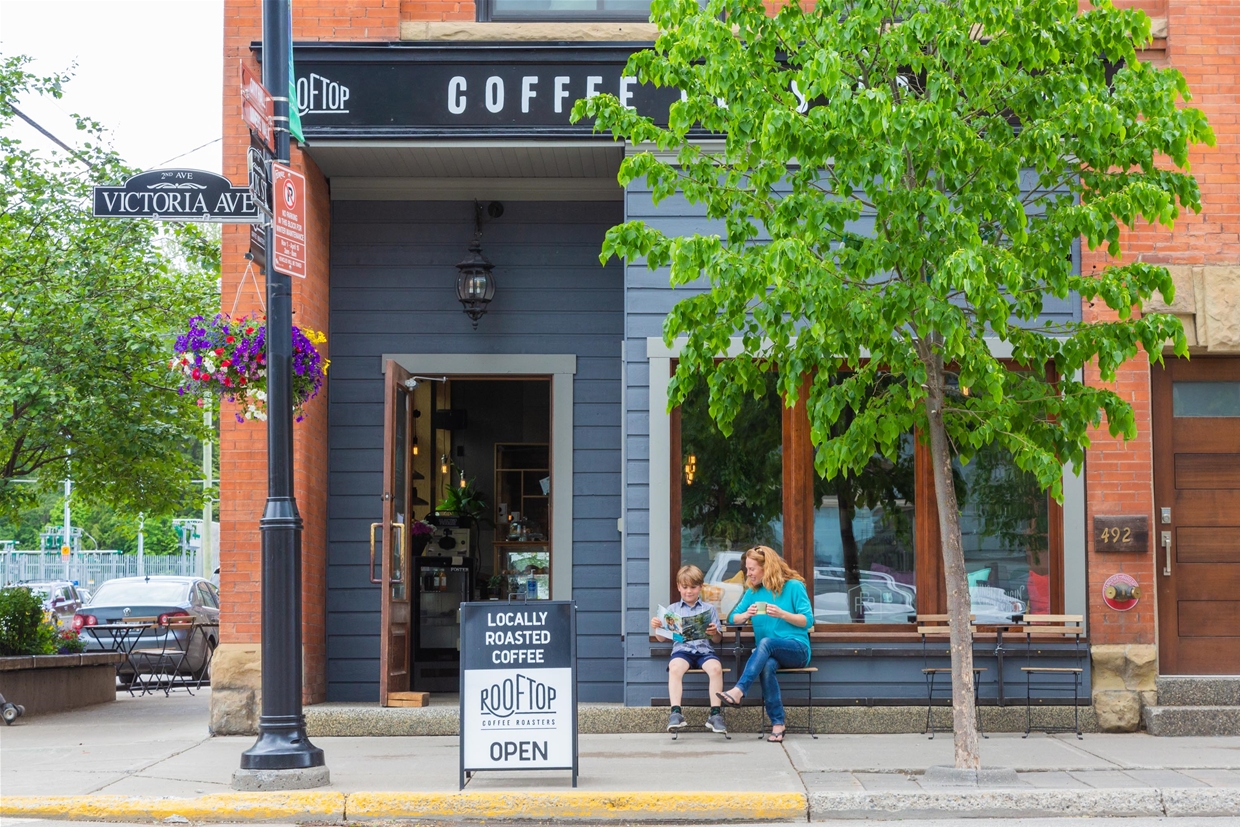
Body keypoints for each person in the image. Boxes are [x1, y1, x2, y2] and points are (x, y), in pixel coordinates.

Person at [716, 545, 813, 742]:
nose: (747, 573)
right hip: (769, 654)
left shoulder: (793, 586)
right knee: (767, 666)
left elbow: (808, 620)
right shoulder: (753, 592)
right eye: (747, 569)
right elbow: (733, 617)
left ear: (766, 567)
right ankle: (778, 723)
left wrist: (782, 614)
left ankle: (739, 690)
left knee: (767, 643)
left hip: (797, 649)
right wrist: (746, 615)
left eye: (751, 569)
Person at [651, 564, 727, 734]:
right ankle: (676, 713)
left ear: (700, 587)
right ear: (679, 587)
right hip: (682, 651)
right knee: (675, 668)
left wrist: (714, 632)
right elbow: (662, 638)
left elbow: (717, 639)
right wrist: (657, 627)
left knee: (716, 668)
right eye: (685, 587)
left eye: (693, 587)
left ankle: (715, 715)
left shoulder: (709, 609)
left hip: (704, 651)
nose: (689, 591)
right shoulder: (672, 610)